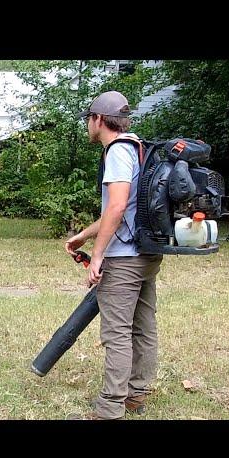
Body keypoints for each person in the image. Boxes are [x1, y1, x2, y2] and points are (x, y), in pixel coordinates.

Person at [66, 91, 163, 419]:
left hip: (124, 259)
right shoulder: (138, 148)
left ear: (98, 120)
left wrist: (97, 256)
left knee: (117, 332)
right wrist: (83, 235)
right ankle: (136, 394)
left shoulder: (118, 152)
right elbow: (119, 208)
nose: (88, 127)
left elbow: (119, 206)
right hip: (147, 253)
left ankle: (110, 407)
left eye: (88, 120)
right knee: (143, 325)